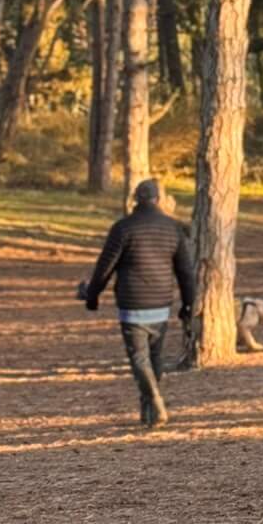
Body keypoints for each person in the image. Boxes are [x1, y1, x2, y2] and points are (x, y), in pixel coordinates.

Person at [81, 178, 195, 428]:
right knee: (154, 357)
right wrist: (188, 304)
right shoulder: (172, 228)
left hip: (132, 305)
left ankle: (154, 400)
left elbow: (104, 268)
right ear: (159, 199)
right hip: (161, 305)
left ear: (135, 199)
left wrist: (92, 296)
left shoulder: (123, 228)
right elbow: (185, 271)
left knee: (139, 359)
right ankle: (150, 413)